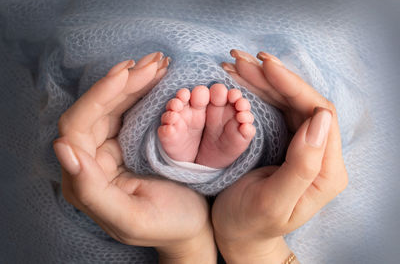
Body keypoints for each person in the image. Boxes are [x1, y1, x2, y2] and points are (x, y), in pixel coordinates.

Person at [53, 49, 348, 263]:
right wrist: (254, 248)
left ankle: (182, 165)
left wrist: (186, 249)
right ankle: (204, 164)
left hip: (134, 133)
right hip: (265, 170)